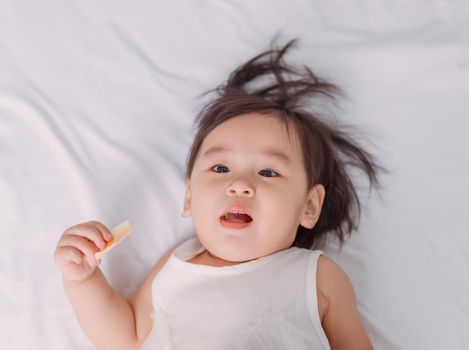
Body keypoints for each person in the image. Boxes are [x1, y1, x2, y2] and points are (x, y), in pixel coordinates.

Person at [54, 37, 386, 349]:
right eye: (221, 169)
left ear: (309, 206)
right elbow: (125, 337)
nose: (239, 184)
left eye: (268, 172)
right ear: (189, 197)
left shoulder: (316, 277)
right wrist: (83, 281)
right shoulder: (177, 266)